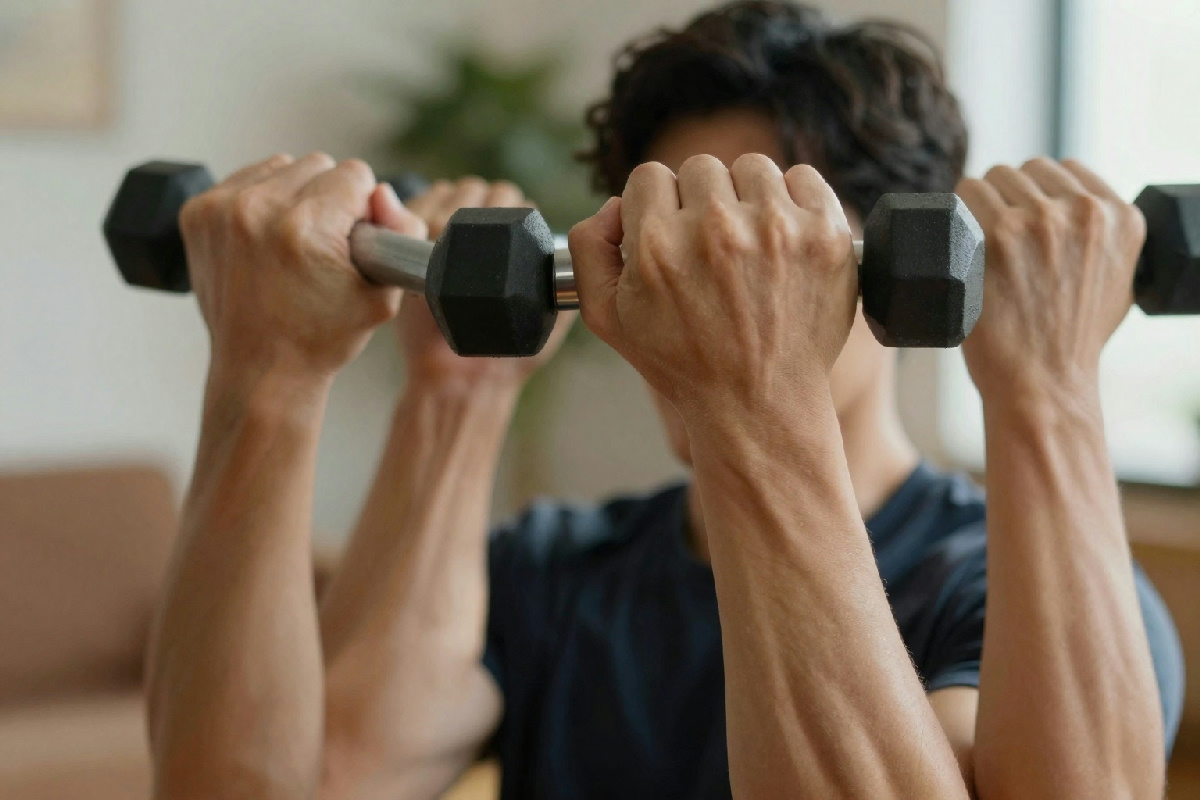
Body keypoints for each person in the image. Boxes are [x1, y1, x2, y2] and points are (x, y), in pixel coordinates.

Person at [144, 2, 1185, 798]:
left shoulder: (1006, 587)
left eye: (745, 244)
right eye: (667, 243)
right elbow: (300, 779)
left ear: (901, 277)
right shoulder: (558, 568)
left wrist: (1046, 390)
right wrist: (300, 379)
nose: (692, 284)